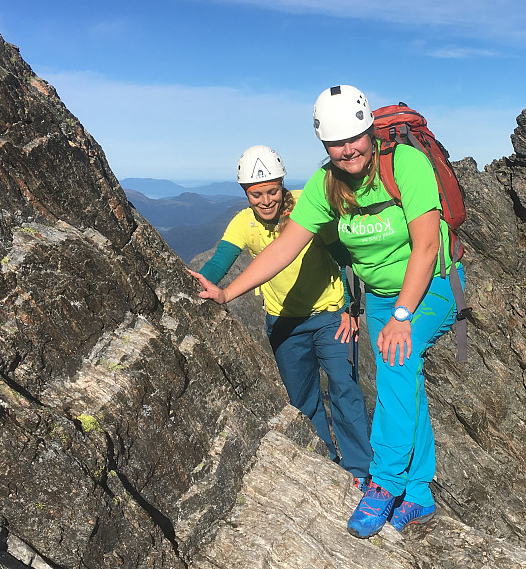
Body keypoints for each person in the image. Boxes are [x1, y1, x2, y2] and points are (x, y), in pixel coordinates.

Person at [193, 86, 463, 539]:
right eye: (336, 144)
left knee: (397, 361)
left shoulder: (405, 165)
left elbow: (427, 244)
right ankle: (417, 495)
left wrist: (400, 318)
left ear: (369, 132)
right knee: (405, 381)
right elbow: (283, 248)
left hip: (432, 285)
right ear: (324, 146)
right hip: (379, 296)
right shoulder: (325, 185)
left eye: (354, 138)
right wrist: (226, 293)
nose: (348, 149)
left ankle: (385, 483)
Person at [189, 144, 372, 488]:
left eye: (272, 190)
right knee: (303, 401)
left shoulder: (308, 203)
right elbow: (218, 262)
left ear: (282, 184)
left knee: (344, 389)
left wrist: (352, 308)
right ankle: (327, 467)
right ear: (246, 193)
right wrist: (196, 284)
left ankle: (361, 472)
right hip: (285, 324)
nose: (266, 200)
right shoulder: (243, 224)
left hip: (330, 315)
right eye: (256, 194)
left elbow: (344, 257)